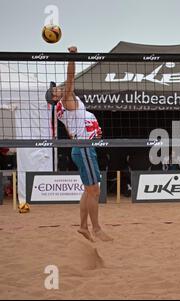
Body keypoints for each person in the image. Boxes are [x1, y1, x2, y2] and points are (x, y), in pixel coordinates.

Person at [45, 46, 112, 242]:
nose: (57, 87)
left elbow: (70, 130)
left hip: (80, 147)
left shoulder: (63, 109)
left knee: (88, 190)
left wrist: (90, 132)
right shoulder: (66, 99)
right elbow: (71, 77)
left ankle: (83, 227)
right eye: (54, 89)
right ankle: (97, 228)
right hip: (83, 149)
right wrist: (72, 56)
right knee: (95, 191)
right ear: (55, 97)